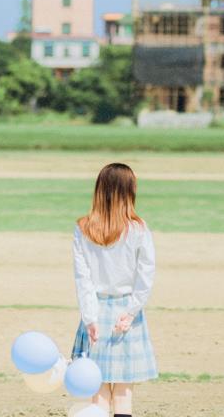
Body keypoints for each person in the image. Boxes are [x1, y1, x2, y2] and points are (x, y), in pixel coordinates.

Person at [71, 162, 157, 417]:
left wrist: (90, 317)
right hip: (125, 312)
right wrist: (131, 313)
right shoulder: (138, 228)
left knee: (97, 389)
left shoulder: (82, 228)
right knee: (123, 391)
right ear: (130, 191)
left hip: (96, 309)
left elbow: (82, 278)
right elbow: (146, 275)